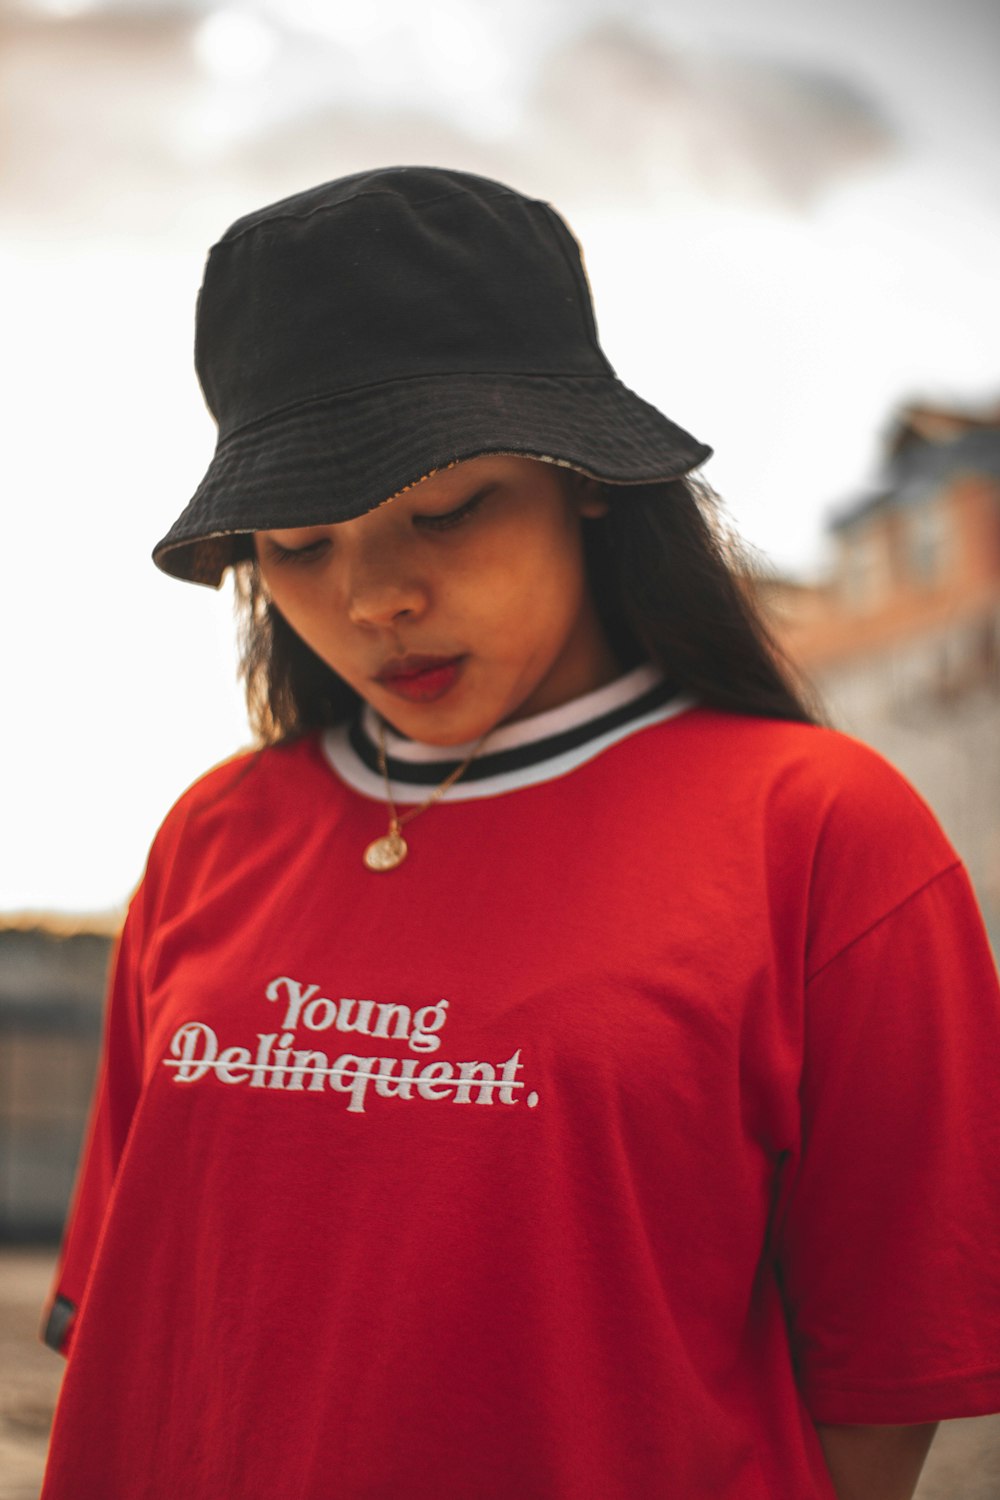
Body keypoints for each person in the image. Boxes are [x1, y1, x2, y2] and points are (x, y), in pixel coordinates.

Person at [40, 166, 1000, 1500]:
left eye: (444, 510)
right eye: (305, 545)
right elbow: (137, 1322)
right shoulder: (216, 831)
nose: (379, 595)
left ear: (587, 481)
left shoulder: (821, 834)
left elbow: (884, 1388)